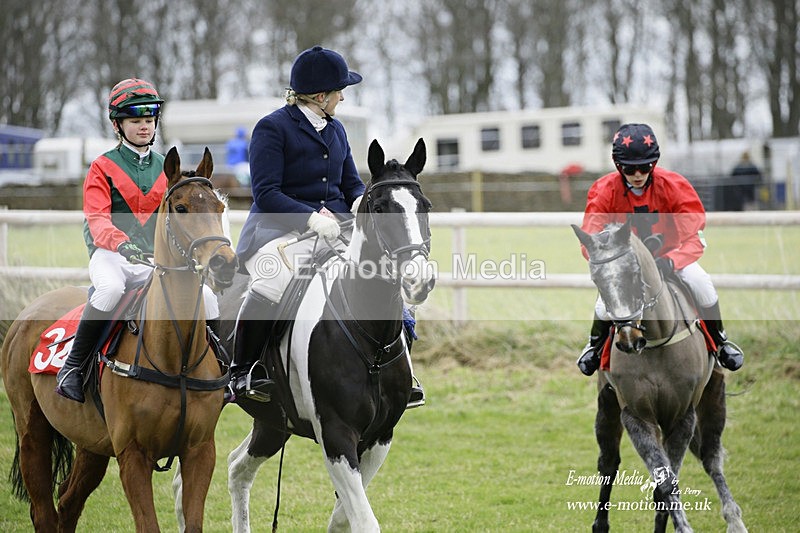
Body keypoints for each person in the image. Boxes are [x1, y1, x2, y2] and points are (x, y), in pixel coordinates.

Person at [232, 46, 425, 407]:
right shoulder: (272, 128)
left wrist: (358, 206)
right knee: (270, 280)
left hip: (337, 228)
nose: (342, 97)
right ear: (320, 96)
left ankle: (401, 371)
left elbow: (351, 183)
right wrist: (311, 219)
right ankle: (243, 370)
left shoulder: (335, 129)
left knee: (386, 275)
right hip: (281, 230)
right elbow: (267, 193)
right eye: (339, 91)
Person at [55, 78, 222, 402]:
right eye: (135, 120)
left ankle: (224, 370)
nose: (144, 127)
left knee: (210, 299)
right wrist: (121, 244)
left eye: (148, 120)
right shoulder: (102, 166)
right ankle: (73, 368)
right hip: (110, 256)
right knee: (110, 289)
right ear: (118, 125)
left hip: (152, 260)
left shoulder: (167, 167)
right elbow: (98, 218)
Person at [575, 123, 744, 377]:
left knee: (701, 283)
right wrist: (617, 263)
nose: (638, 174)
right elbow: (591, 242)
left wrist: (671, 261)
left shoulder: (675, 185)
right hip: (627, 262)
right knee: (603, 305)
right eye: (630, 169)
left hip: (671, 255)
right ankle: (594, 347)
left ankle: (720, 343)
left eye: (645, 166)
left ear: (655, 162)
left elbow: (694, 240)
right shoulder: (604, 190)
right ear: (618, 165)